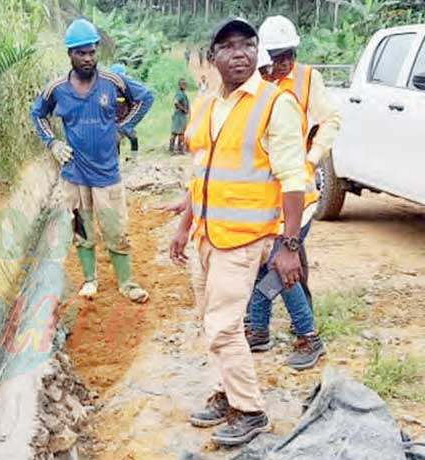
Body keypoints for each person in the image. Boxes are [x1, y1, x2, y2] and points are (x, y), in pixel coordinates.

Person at [169, 17, 307, 447]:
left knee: (225, 326)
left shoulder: (273, 103)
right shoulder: (208, 104)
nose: (240, 53)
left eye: (247, 44)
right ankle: (227, 393)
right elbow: (203, 171)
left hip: (244, 240)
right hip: (206, 236)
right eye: (228, 46)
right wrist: (184, 224)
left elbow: (293, 179)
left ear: (258, 52)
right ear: (213, 58)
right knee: (210, 322)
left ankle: (251, 410)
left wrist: (289, 245)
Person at [242, 15, 342, 370]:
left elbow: (331, 120)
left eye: (289, 54)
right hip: (266, 195)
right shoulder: (253, 83)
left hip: (297, 191)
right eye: (278, 56)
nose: (285, 63)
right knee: (265, 262)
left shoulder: (305, 79)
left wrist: (313, 160)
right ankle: (258, 329)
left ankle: (308, 336)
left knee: (280, 265)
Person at [32, 18, 154, 303]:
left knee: (115, 228)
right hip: (74, 174)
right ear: (70, 54)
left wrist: (123, 129)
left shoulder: (112, 81)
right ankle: (90, 280)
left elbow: (145, 97)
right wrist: (53, 143)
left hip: (106, 173)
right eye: (81, 53)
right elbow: (37, 114)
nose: (88, 58)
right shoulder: (57, 88)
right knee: (82, 227)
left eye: (92, 51)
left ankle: (126, 282)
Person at [110, 63, 141, 161]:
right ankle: (116, 161)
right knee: (116, 141)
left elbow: (133, 104)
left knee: (133, 137)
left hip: (125, 120)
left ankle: (134, 158)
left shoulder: (127, 90)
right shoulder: (108, 90)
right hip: (114, 122)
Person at [170, 78, 189, 154]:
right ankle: (180, 149)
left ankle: (174, 148)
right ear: (179, 85)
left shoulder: (182, 93)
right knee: (179, 133)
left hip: (179, 115)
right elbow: (176, 102)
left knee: (176, 132)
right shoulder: (180, 94)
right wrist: (184, 109)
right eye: (182, 84)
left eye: (185, 84)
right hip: (179, 116)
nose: (184, 85)